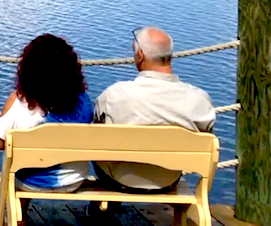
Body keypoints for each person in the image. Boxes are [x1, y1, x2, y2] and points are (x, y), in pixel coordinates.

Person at [92, 26, 215, 193]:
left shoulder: (115, 94)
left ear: (140, 56)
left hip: (118, 179)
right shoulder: (199, 100)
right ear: (169, 56)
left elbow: (96, 129)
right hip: (167, 181)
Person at [0, 34, 94, 199]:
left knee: (18, 162)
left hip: (31, 182)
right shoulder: (83, 100)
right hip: (74, 180)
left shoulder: (19, 102)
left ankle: (19, 219)